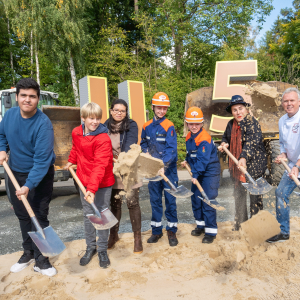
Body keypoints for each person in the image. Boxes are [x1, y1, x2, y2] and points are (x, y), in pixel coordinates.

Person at [0, 78, 57, 276]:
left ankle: (42, 260)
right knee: (23, 215)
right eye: (23, 95)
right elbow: (1, 135)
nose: (27, 100)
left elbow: (42, 162)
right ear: (16, 97)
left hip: (40, 176)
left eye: (32, 96)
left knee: (39, 216)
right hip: (15, 172)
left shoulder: (43, 125)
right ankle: (28, 253)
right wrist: (2, 150)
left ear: (38, 99)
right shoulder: (9, 115)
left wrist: (28, 186)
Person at [64, 102, 115, 268]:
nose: (95, 122)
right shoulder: (76, 132)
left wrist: (92, 189)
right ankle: (90, 247)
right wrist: (71, 161)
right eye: (91, 118)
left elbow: (100, 166)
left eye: (98, 118)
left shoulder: (103, 138)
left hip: (102, 182)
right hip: (83, 180)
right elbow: (76, 149)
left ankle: (102, 250)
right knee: (88, 215)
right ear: (83, 118)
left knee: (101, 215)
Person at [219, 95, 267, 230]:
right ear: (232, 112)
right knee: (239, 195)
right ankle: (241, 223)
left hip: (255, 165)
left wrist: (244, 157)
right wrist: (224, 143)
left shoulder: (252, 122)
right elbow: (225, 137)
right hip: (237, 167)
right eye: (235, 110)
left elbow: (252, 143)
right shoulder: (230, 124)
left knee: (255, 198)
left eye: (240, 108)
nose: (238, 112)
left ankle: (257, 226)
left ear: (246, 109)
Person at [104, 99, 143, 254]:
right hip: (112, 170)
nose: (119, 113)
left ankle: (137, 238)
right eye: (116, 110)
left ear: (126, 112)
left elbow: (130, 144)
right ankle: (113, 235)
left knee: (132, 203)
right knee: (115, 204)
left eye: (122, 111)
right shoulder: (104, 126)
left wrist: (122, 159)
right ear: (111, 110)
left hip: (129, 168)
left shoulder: (131, 125)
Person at [140, 92, 179, 247]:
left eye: (164, 108)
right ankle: (156, 231)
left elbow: (171, 149)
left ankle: (172, 231)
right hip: (152, 171)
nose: (161, 111)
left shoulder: (169, 126)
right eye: (159, 108)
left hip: (167, 171)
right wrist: (146, 152)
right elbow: (143, 142)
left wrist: (162, 165)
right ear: (153, 107)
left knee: (170, 201)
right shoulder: (146, 126)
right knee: (155, 201)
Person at [181, 107, 220, 243]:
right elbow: (192, 153)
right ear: (187, 124)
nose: (194, 126)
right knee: (197, 199)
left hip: (210, 172)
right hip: (198, 171)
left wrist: (195, 174)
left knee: (207, 199)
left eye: (197, 123)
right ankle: (201, 225)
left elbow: (203, 160)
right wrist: (187, 160)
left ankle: (210, 232)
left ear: (202, 123)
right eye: (191, 124)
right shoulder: (188, 137)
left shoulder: (205, 138)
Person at [267, 88, 300, 243]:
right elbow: (282, 144)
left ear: (298, 102)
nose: (289, 104)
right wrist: (283, 155)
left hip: (297, 165)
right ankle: (283, 231)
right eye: (286, 101)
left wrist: (297, 166)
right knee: (280, 193)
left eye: (292, 100)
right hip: (293, 165)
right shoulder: (281, 121)